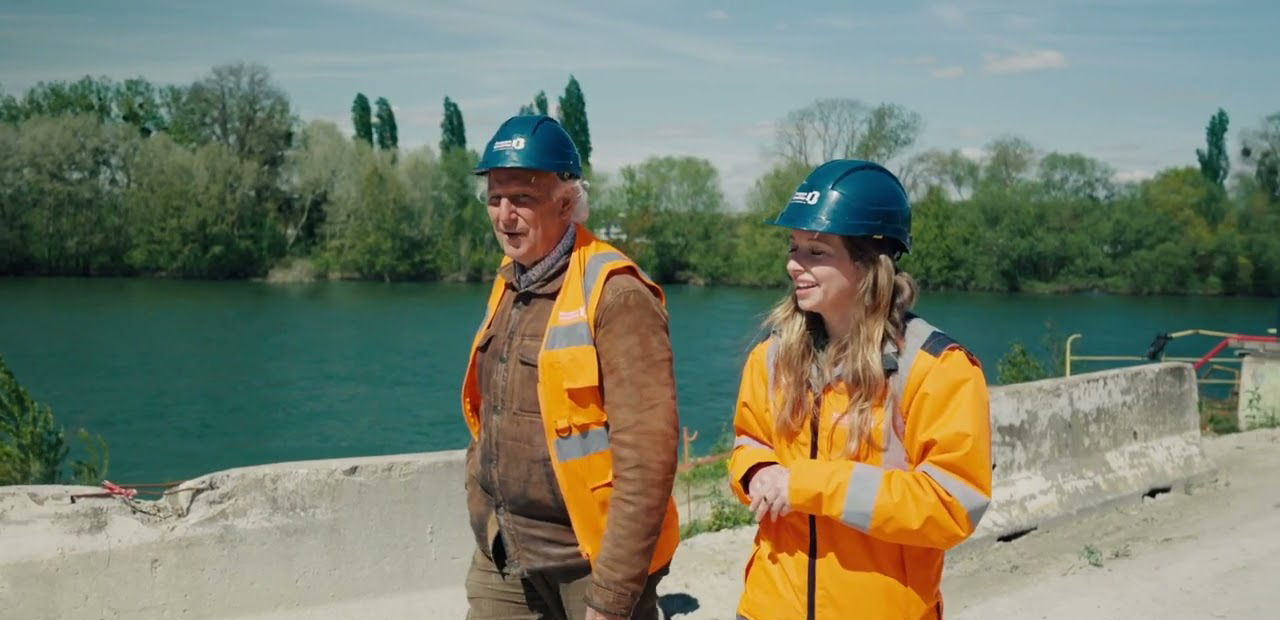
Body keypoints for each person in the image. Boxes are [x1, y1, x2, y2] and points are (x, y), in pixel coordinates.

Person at [727, 159, 993, 620]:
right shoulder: (771, 357)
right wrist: (758, 473)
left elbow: (952, 505)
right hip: (767, 607)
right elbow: (748, 442)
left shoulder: (936, 369)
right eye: (793, 248)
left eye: (816, 251)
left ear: (870, 263)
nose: (794, 265)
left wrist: (806, 483)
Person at [459, 114, 681, 620]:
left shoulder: (616, 293)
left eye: (522, 199)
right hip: (505, 549)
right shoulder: (510, 279)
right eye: (494, 199)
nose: (504, 215)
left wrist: (613, 594)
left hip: (589, 562)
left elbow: (647, 459)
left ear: (566, 200)